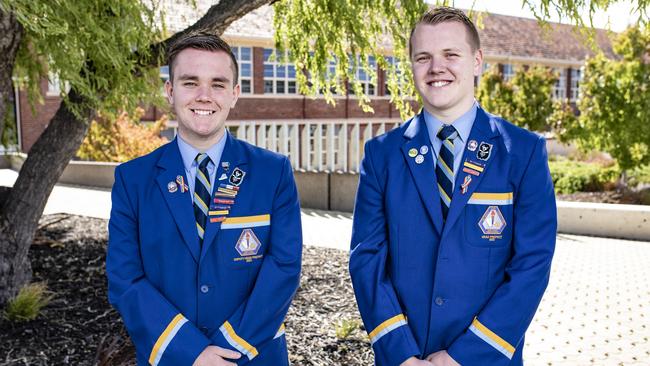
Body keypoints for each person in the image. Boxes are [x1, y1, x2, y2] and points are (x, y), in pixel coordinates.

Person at [349, 6, 557, 366]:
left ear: (476, 61)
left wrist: (466, 355)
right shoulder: (381, 155)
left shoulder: (523, 152)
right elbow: (366, 261)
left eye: (451, 55)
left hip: (485, 357)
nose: (436, 68)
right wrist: (401, 354)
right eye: (423, 57)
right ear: (411, 66)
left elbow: (532, 264)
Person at [107, 33, 302, 366]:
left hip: (252, 354)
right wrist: (191, 351)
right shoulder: (132, 179)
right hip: (170, 356)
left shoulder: (273, 173)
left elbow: (283, 267)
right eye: (190, 82)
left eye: (218, 84)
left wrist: (228, 346)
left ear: (234, 94)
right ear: (170, 91)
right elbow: (125, 279)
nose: (204, 96)